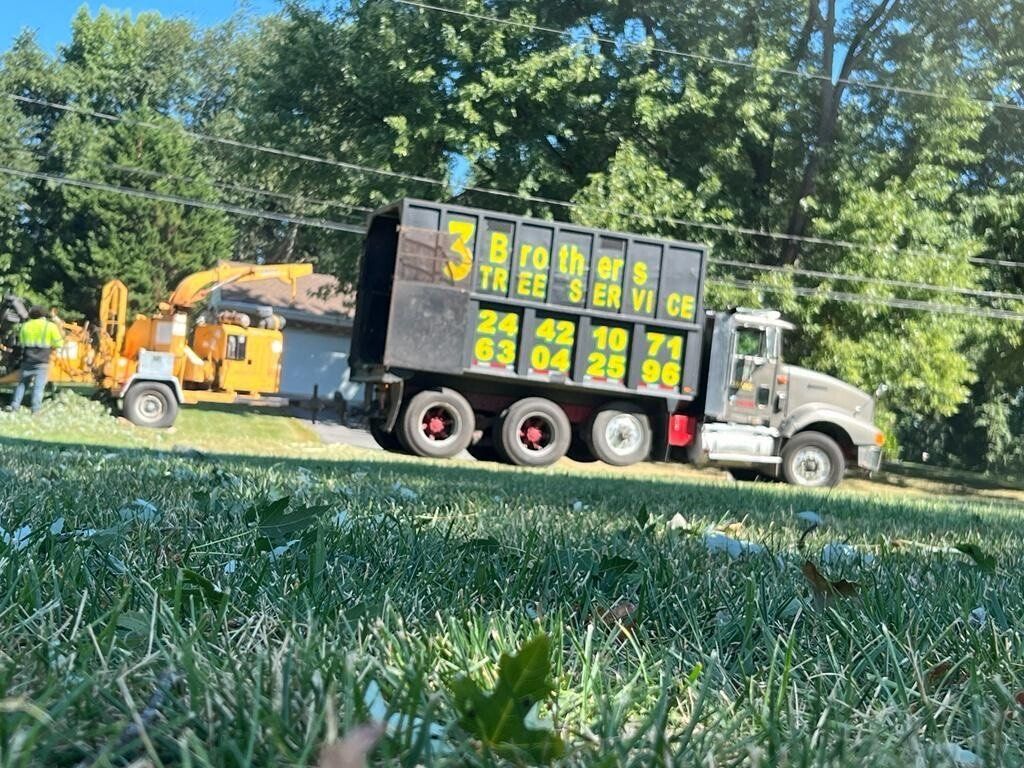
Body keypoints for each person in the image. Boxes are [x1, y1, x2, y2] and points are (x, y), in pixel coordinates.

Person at [9, 306, 63, 414]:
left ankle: (14, 405)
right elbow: (59, 343)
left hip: (27, 360)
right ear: (43, 315)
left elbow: (22, 343)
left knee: (22, 384)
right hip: (42, 361)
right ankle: (35, 410)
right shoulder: (50, 326)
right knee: (38, 387)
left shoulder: (25, 326)